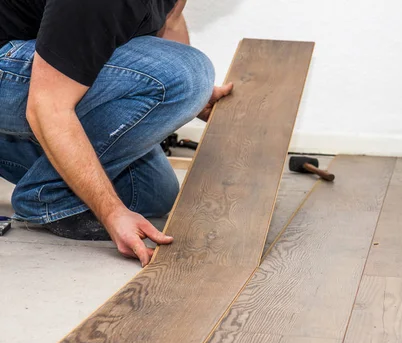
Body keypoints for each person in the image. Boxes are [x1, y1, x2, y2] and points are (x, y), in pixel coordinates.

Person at [0, 0, 232, 266]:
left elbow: (171, 21)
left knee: (150, 192)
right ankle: (51, 197)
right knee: (190, 72)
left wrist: (193, 100)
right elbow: (48, 107)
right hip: (15, 70)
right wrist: (111, 213)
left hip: (31, 55)